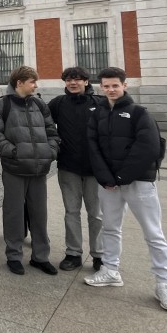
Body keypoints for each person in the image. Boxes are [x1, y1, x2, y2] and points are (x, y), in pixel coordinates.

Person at [85, 66, 167, 313]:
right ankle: (110, 269)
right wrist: (106, 176)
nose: (110, 90)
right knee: (110, 227)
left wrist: (120, 176)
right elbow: (92, 146)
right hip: (109, 184)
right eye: (106, 86)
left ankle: (164, 284)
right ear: (101, 88)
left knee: (153, 232)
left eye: (115, 85)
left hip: (138, 182)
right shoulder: (97, 113)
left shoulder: (139, 113)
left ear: (124, 85)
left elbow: (148, 148)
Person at [0, 65, 59, 276]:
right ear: (20, 83)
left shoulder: (39, 104)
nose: (35, 85)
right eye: (32, 82)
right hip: (15, 169)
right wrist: (14, 152)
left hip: (39, 170)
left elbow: (51, 131)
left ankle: (40, 256)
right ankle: (14, 255)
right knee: (14, 214)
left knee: (40, 214)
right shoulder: (2, 105)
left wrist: (51, 151)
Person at [48, 67, 103, 272]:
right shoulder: (58, 104)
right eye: (69, 80)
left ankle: (99, 254)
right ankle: (73, 252)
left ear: (86, 82)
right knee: (71, 212)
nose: (73, 83)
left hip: (94, 169)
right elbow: (42, 123)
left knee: (96, 214)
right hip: (68, 166)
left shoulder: (99, 103)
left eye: (77, 79)